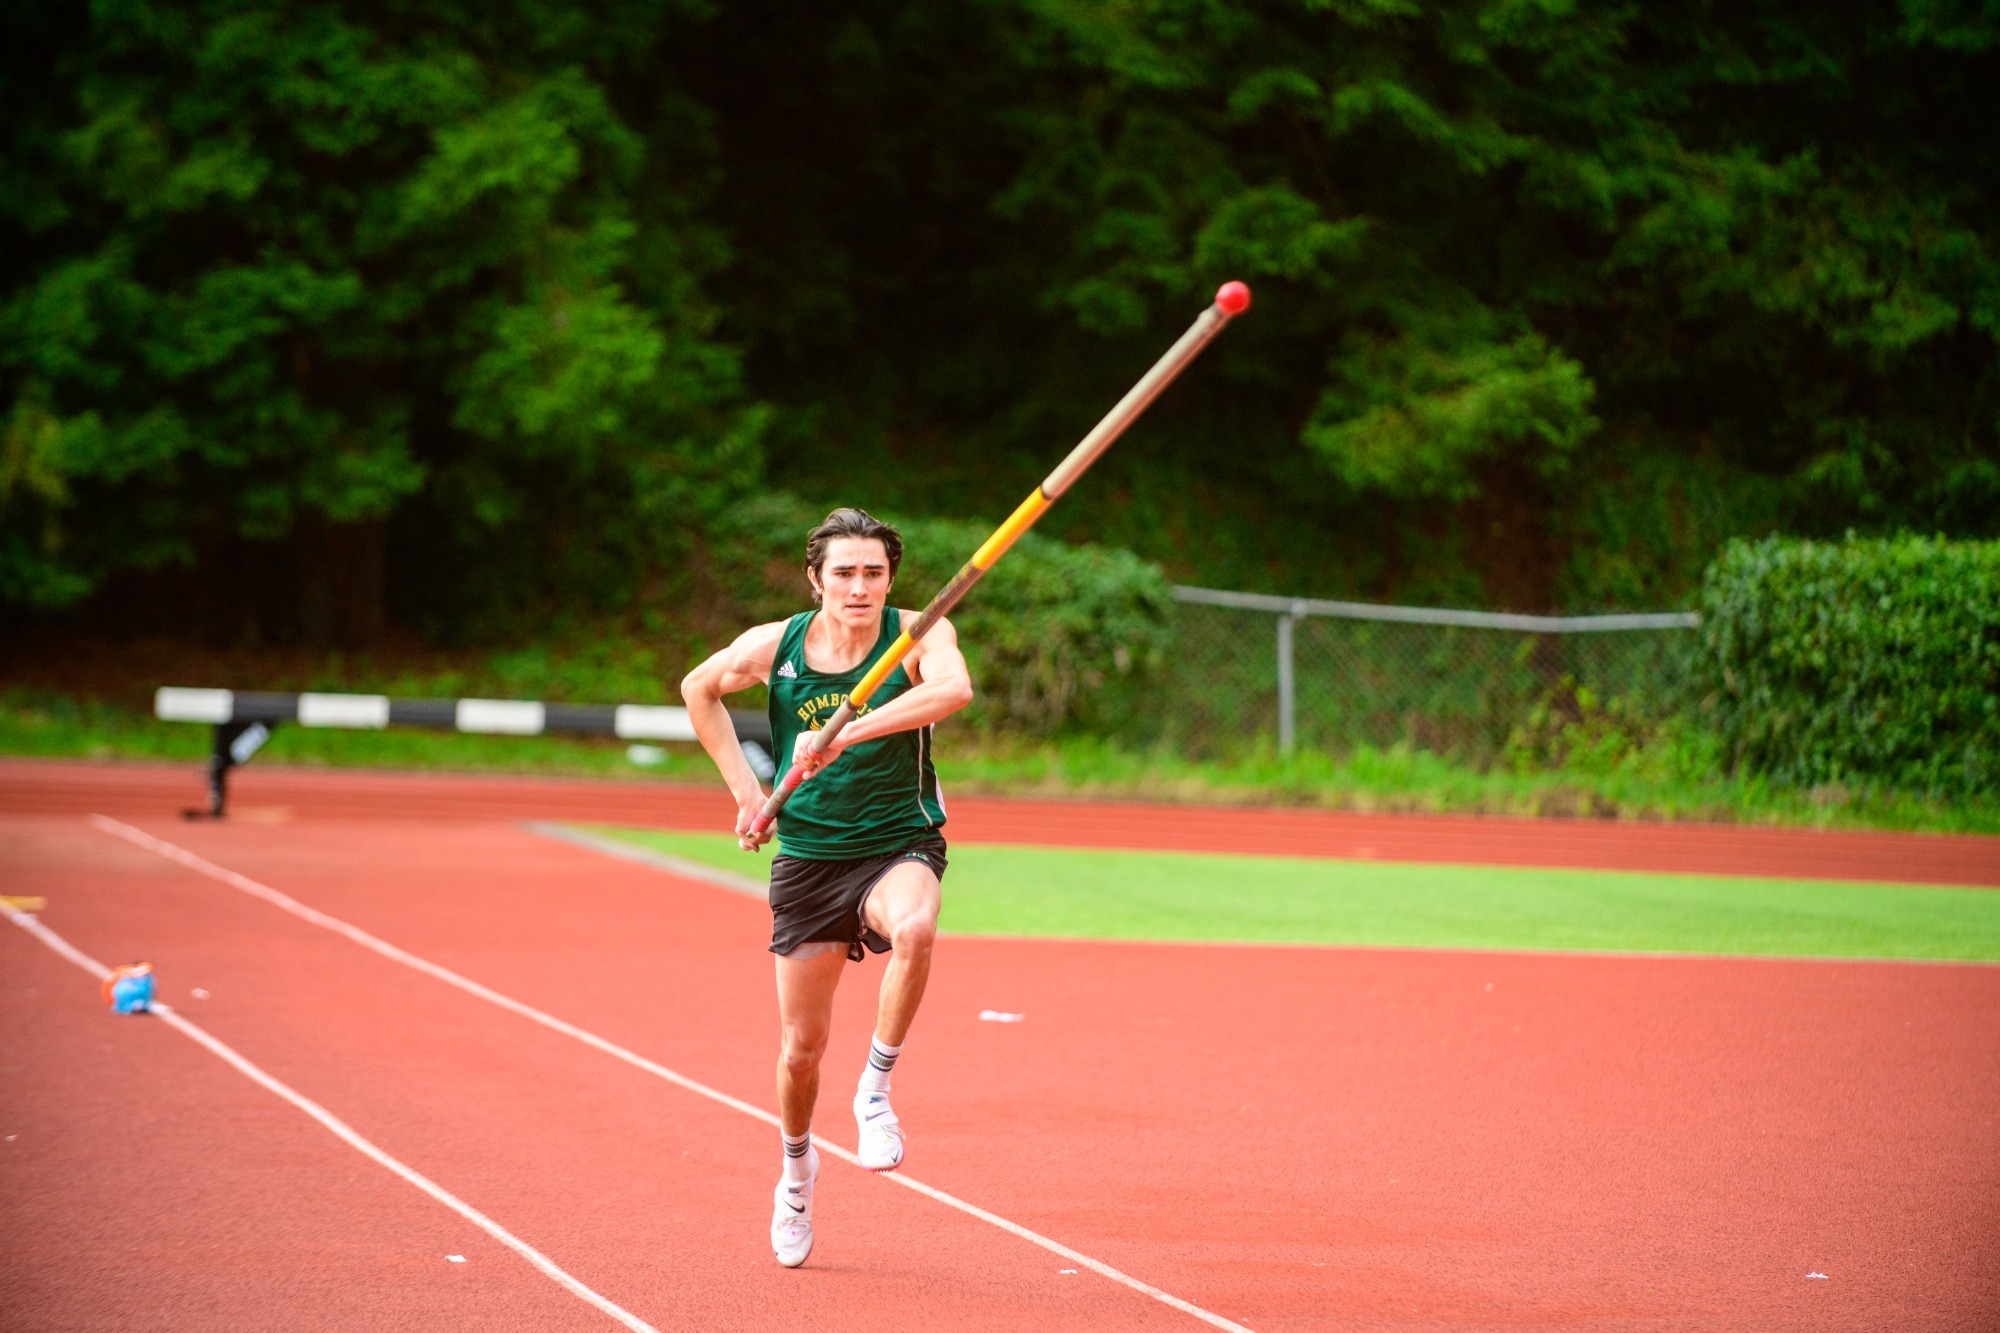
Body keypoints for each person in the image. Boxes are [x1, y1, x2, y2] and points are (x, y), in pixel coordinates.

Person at [680, 507, 973, 1269]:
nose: (859, 586)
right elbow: (698, 687)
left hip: (895, 843)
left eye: (873, 572)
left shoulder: (914, 632)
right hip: (808, 854)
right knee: (801, 1051)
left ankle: (875, 1092)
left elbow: (952, 691)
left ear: (890, 579)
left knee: (913, 928)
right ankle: (797, 1172)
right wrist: (747, 792)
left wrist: (848, 730)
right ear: (816, 579)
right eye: (843, 572)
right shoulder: (777, 646)